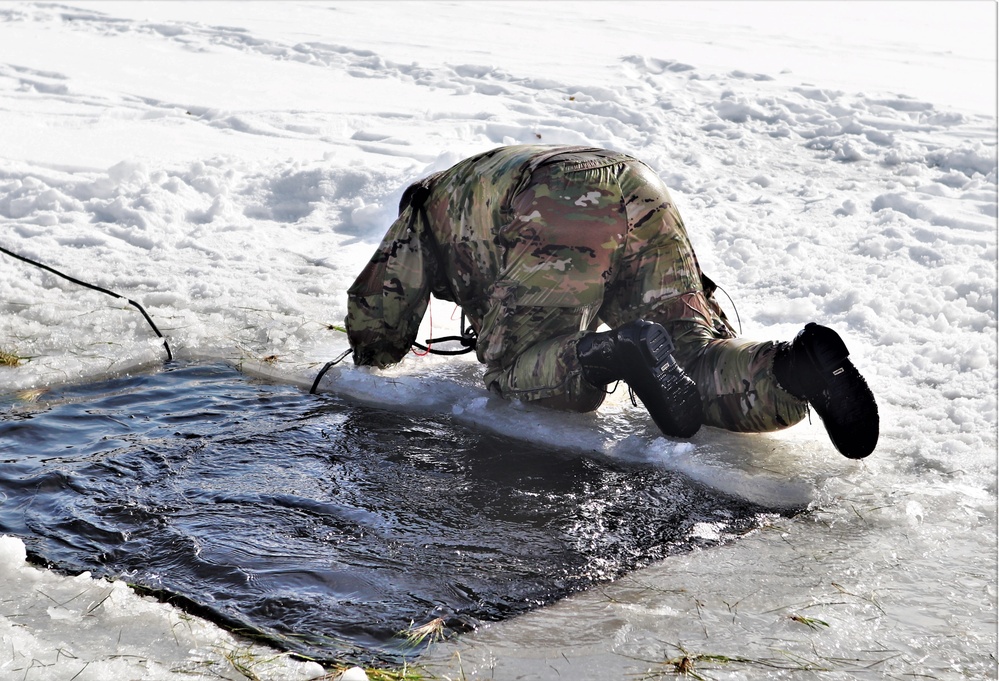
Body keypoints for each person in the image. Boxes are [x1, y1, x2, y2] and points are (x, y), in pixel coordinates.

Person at [345, 145, 879, 459]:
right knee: (689, 352)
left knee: (516, 370)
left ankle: (613, 355)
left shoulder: (424, 205)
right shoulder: (479, 184)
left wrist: (369, 360)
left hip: (554, 197)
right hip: (639, 187)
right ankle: (796, 368)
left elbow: (382, 297)